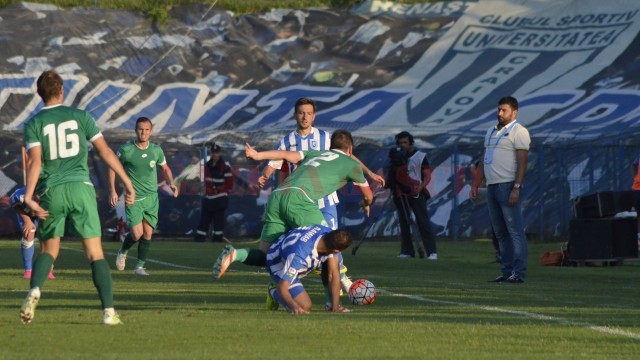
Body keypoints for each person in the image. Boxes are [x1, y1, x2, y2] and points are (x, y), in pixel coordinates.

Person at [20, 70, 135, 325]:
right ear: (61, 89)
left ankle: (35, 290)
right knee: (95, 254)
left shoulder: (33, 123)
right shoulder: (81, 116)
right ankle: (108, 312)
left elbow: (35, 161)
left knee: (49, 250)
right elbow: (104, 151)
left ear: (40, 94)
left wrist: (29, 196)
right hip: (82, 188)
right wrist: (127, 182)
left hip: (52, 191)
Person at [213, 130, 373, 291]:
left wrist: (257, 155)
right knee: (329, 244)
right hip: (299, 199)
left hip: (277, 196)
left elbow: (285, 154)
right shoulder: (352, 164)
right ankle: (332, 302)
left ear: (331, 146)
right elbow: (369, 196)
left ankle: (235, 254)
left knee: (266, 254)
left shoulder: (316, 153)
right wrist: (365, 203)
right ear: (350, 149)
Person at [256, 98, 381, 295]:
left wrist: (369, 172)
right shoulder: (286, 141)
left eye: (308, 113)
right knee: (299, 247)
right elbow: (277, 163)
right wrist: (266, 174)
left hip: (325, 201)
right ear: (295, 115)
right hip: (298, 203)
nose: (304, 116)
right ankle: (285, 284)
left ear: (314, 116)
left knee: (332, 242)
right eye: (301, 113)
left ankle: (340, 280)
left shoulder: (325, 137)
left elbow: (346, 156)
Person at [470, 96, 530, 284]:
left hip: (507, 185)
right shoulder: (490, 131)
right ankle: (506, 271)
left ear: (515, 112)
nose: (500, 113)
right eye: (499, 110)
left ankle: (518, 273)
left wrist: (517, 187)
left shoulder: (519, 131)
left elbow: (522, 162)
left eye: (504, 110)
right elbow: (484, 158)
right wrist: (475, 183)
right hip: (492, 186)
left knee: (514, 232)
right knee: (501, 233)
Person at [109, 117, 179, 276]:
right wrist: (112, 190)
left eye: (147, 129)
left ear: (151, 131)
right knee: (136, 234)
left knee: (148, 233)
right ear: (135, 130)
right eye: (141, 129)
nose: (144, 132)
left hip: (151, 199)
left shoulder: (156, 150)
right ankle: (123, 250)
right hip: (133, 199)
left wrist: (172, 183)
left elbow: (165, 169)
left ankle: (139, 267)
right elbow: (112, 167)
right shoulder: (126, 150)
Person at [266, 225, 353, 314]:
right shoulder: (299, 257)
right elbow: (282, 287)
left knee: (331, 265)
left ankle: (331, 305)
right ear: (336, 251)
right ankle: (273, 293)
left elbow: (333, 274)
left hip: (293, 250)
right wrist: (293, 307)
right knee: (304, 307)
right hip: (277, 264)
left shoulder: (329, 234)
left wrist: (335, 308)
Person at [391, 131, 437, 260]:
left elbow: (427, 176)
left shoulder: (420, 156)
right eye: (400, 143)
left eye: (405, 142)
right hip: (401, 192)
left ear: (411, 143)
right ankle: (407, 251)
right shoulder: (397, 157)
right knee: (404, 222)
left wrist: (420, 187)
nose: (403, 145)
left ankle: (432, 252)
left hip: (416, 192)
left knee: (423, 221)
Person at [9, 187, 55, 280]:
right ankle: (28, 270)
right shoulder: (20, 196)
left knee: (48, 238)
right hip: (26, 214)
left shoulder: (53, 198)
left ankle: (47, 269)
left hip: (45, 215)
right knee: (29, 232)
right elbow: (14, 204)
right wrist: (27, 220)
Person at [194, 143, 235, 242]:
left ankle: (217, 239)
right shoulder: (207, 165)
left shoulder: (225, 167)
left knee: (218, 221)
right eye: (213, 152)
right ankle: (199, 239)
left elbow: (229, 184)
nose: (214, 154)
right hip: (208, 198)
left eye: (216, 152)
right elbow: (205, 181)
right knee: (204, 220)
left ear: (220, 153)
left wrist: (219, 190)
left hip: (220, 199)